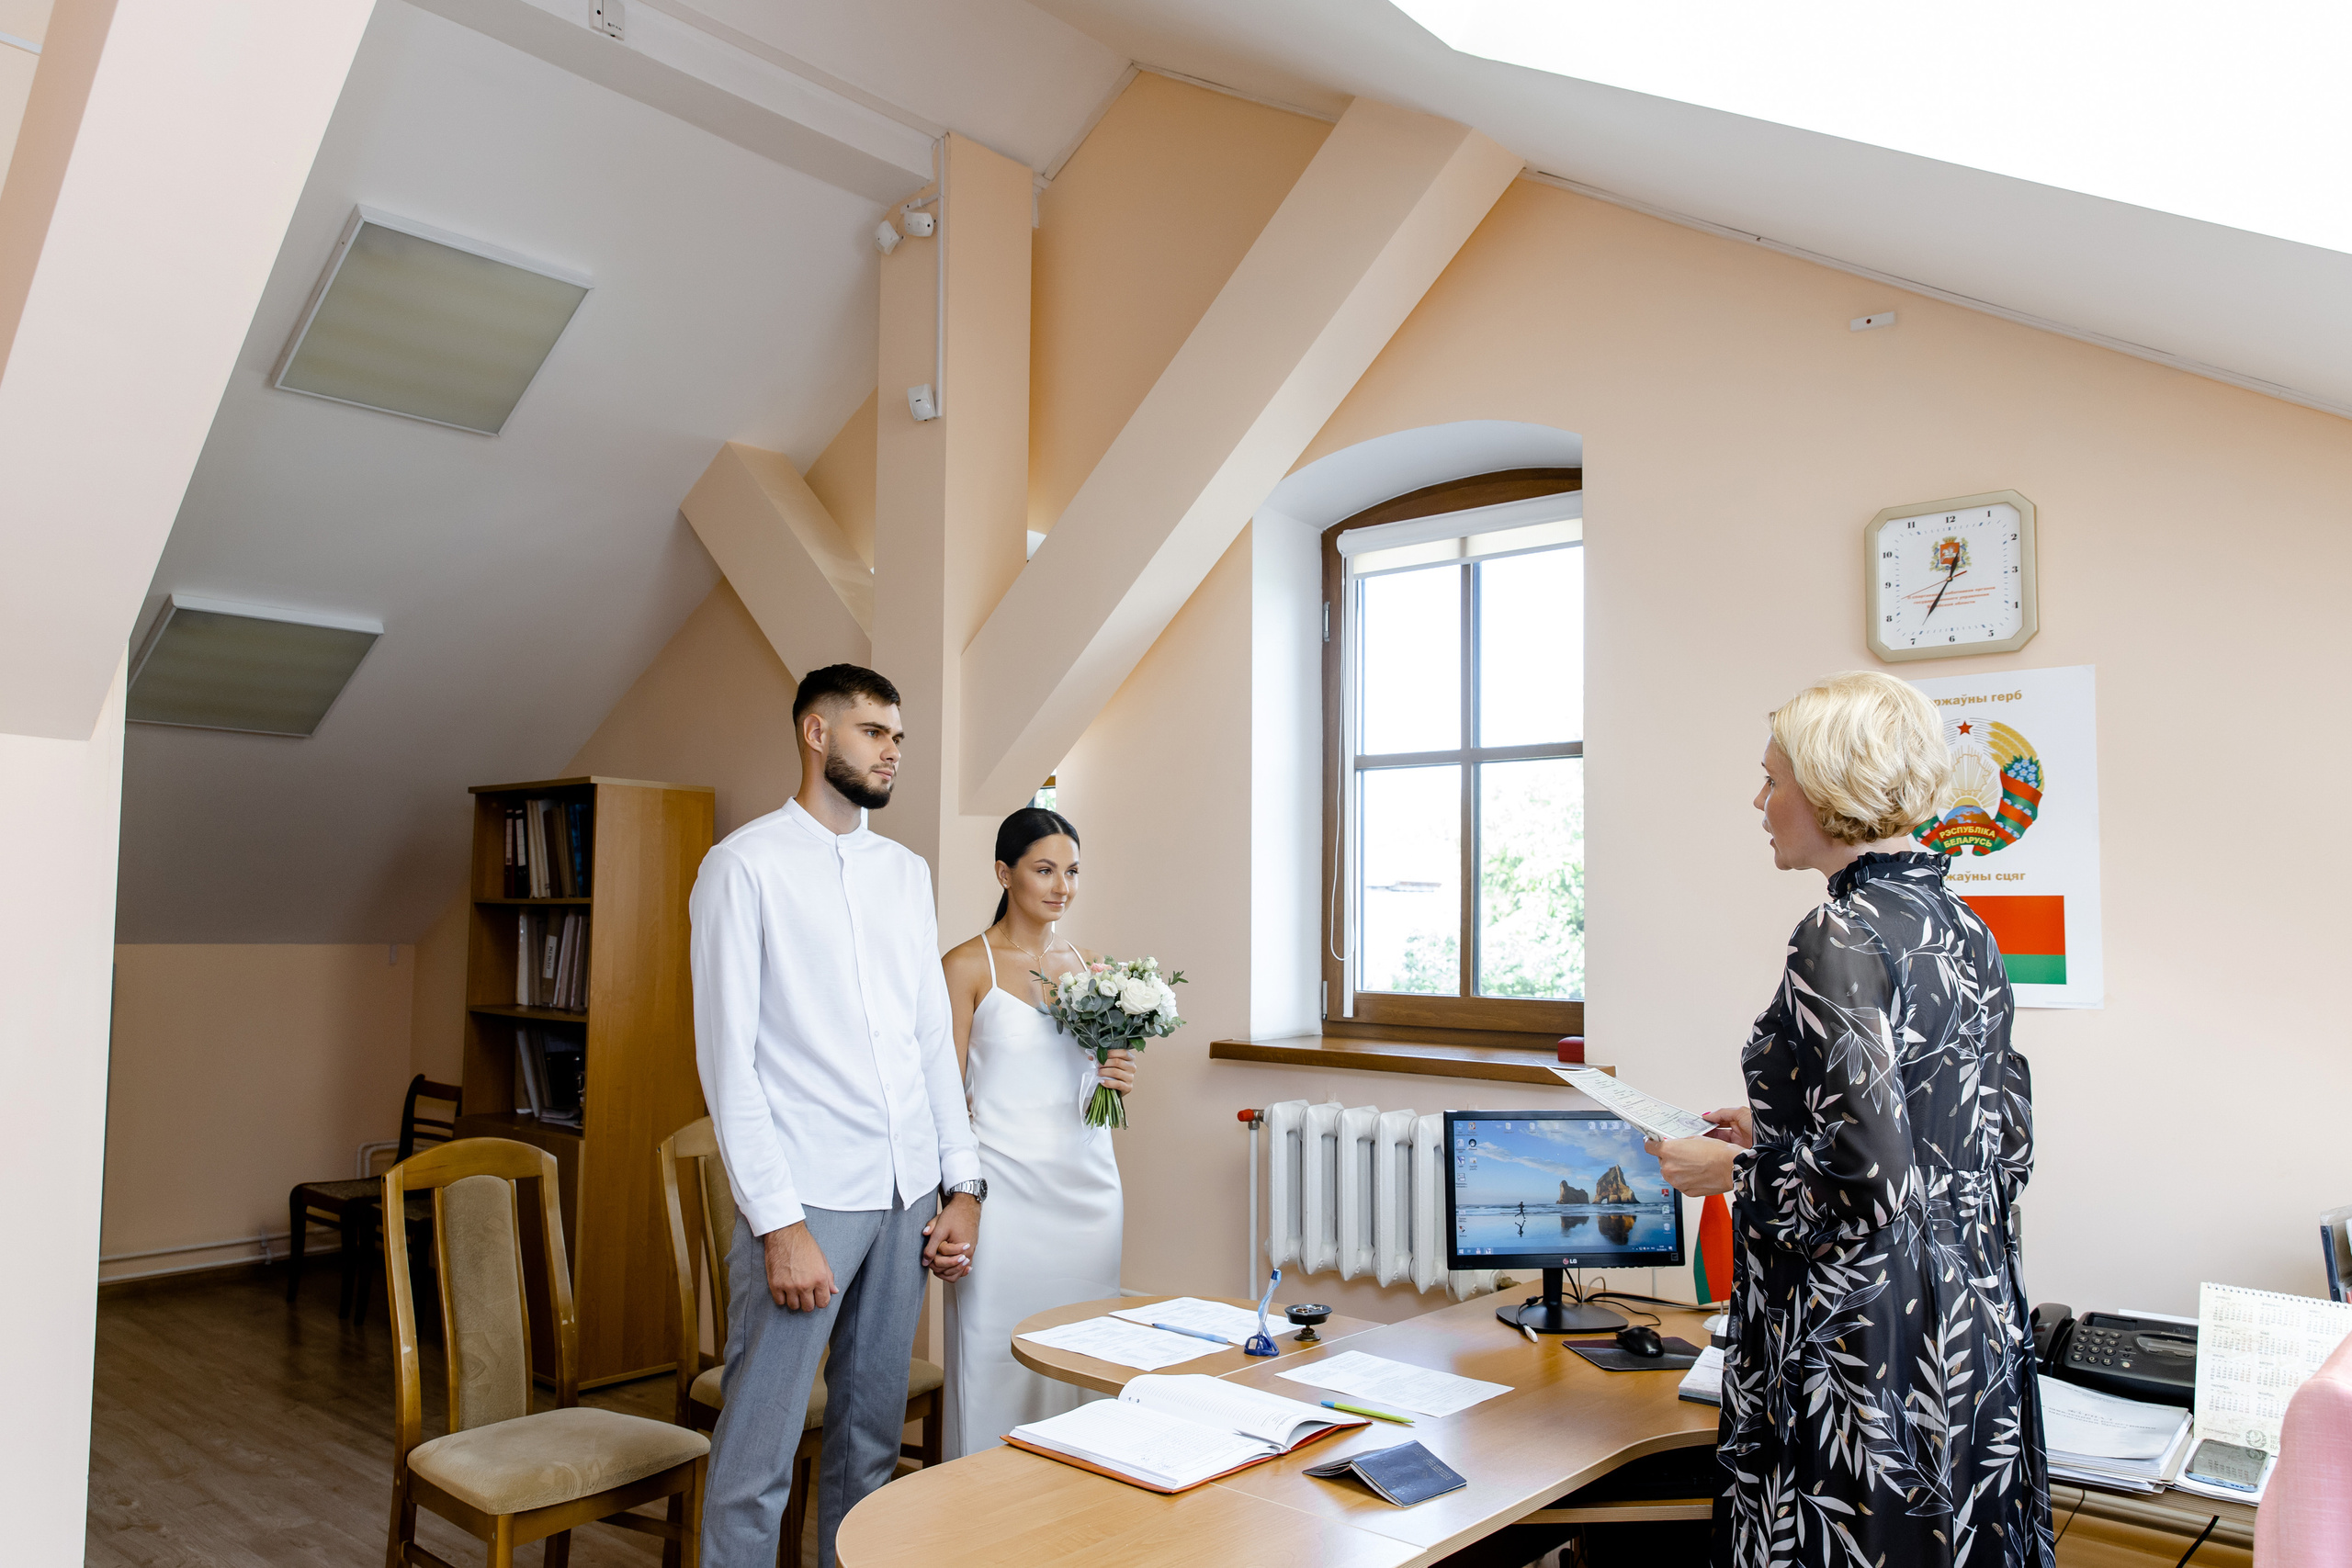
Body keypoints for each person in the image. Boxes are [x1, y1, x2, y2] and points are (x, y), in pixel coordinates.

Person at [1645, 671, 2053, 1568]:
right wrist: (1782, 1137)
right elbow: (1993, 1145)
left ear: (1828, 791)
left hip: (1861, 1347)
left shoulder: (1837, 933)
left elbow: (1870, 1179)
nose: (1759, 801)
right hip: (1966, 1329)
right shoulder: (1958, 925)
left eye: (1772, 780)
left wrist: (1728, 1172)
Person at [689, 663, 985, 1568]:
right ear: (816, 734)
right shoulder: (742, 867)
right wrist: (778, 1224)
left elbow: (932, 1041)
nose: (891, 751)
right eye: (872, 731)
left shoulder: (905, 873)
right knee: (758, 1457)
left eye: (897, 736)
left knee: (868, 1448)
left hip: (907, 1197)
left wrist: (962, 1182)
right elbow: (727, 1065)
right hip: (806, 1197)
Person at [935, 807, 1136, 1457]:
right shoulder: (966, 965)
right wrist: (957, 1195)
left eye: (1072, 870)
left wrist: (1115, 1074)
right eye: (1044, 869)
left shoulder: (1092, 966)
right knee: (993, 1356)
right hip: (1004, 1199)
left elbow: (1086, 1079)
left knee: (1084, 1355)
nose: (1062, 885)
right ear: (1005, 871)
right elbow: (941, 1096)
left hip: (1087, 1193)